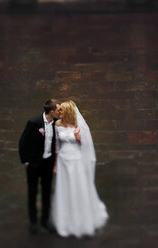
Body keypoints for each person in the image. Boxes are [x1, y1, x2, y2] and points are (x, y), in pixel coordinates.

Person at [51, 100, 108, 237]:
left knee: (79, 187)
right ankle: (65, 219)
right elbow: (57, 146)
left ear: (68, 112)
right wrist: (55, 164)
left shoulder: (78, 126)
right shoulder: (57, 125)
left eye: (61, 110)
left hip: (76, 161)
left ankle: (82, 219)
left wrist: (78, 138)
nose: (59, 112)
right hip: (63, 160)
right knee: (65, 188)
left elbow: (87, 146)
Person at [18, 99, 60, 234]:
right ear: (51, 112)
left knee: (47, 192)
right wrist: (25, 161)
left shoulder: (57, 124)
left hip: (48, 163)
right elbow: (23, 142)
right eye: (58, 110)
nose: (60, 112)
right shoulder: (34, 123)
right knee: (32, 191)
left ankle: (45, 220)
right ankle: (33, 221)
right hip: (34, 164)